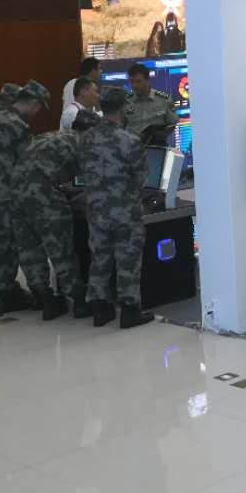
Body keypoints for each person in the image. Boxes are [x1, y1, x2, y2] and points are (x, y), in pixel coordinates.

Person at [80, 88, 153, 328]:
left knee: (99, 256)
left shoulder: (86, 138)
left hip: (95, 209)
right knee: (128, 258)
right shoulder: (130, 140)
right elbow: (141, 176)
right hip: (125, 210)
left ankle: (100, 309)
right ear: (124, 108)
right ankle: (130, 310)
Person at [0, 79, 49, 315]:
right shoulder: (18, 126)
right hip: (13, 194)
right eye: (38, 107)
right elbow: (27, 163)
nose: (37, 112)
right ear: (32, 102)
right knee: (22, 243)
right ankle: (40, 294)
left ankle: (3, 291)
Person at [14, 128, 85, 320]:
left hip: (17, 194)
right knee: (60, 248)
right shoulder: (79, 143)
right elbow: (85, 178)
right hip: (44, 195)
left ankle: (45, 300)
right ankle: (79, 301)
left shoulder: (49, 137)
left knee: (30, 250)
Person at [124, 63, 179, 147]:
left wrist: (160, 135)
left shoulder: (164, 100)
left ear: (148, 80)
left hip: (157, 147)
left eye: (138, 81)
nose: (134, 85)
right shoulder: (126, 101)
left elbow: (172, 123)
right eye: (132, 81)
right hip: (133, 148)